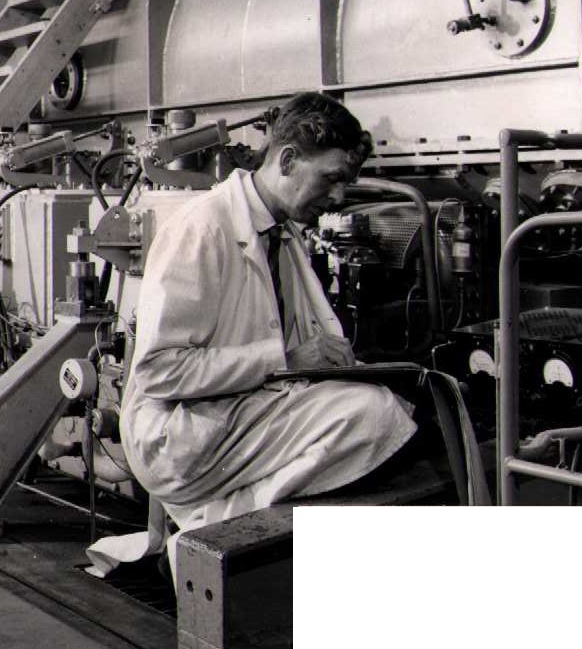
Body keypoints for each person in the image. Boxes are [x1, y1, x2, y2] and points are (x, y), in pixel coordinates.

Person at [119, 92, 417, 535]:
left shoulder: (282, 232)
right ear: (288, 160)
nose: (338, 196)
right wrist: (286, 360)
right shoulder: (202, 228)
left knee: (401, 401)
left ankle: (216, 523)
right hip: (175, 431)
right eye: (331, 178)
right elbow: (158, 372)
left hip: (237, 407)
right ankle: (214, 527)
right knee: (375, 415)